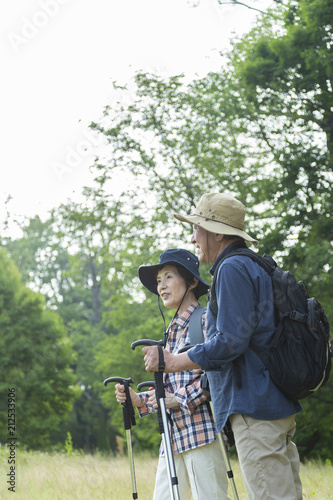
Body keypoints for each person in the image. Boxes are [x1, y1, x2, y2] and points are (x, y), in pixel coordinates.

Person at [143, 193, 303, 500]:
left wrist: (173, 361)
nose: (193, 237)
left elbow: (230, 341)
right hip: (276, 401)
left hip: (253, 407)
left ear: (217, 232)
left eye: (197, 229)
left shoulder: (231, 269)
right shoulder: (257, 265)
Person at [115, 248, 231, 500]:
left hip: (203, 434)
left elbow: (218, 374)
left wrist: (176, 400)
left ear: (190, 282)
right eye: (158, 280)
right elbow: (167, 391)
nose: (162, 286)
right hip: (172, 437)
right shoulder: (171, 332)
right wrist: (139, 400)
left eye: (168, 277)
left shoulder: (205, 320)